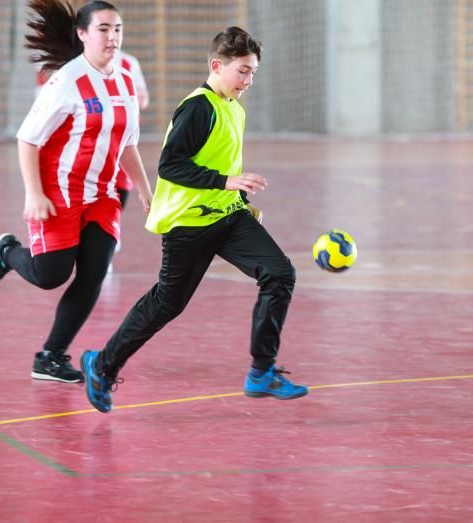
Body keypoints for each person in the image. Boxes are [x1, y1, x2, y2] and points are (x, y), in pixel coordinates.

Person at [79, 26, 308, 413]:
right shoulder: (197, 107)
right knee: (168, 303)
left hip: (228, 214)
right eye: (243, 71)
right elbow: (170, 166)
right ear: (217, 65)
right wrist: (226, 182)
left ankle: (262, 371)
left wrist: (236, 195)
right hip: (189, 223)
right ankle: (101, 365)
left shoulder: (233, 106)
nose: (248, 81)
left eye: (253, 73)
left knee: (280, 273)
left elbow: (219, 161)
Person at [0, 0, 152, 384]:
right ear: (83, 34)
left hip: (103, 195)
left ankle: (50, 356)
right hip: (59, 191)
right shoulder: (65, 81)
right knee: (51, 275)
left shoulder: (124, 80)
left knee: (93, 273)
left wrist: (144, 190)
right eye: (103, 29)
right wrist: (33, 194)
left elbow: (128, 143)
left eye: (117, 29)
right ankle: (6, 253)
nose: (112, 37)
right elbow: (28, 140)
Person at [108, 49, 150, 271]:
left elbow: (142, 98)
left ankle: (109, 234)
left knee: (121, 186)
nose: (113, 35)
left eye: (117, 29)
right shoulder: (77, 66)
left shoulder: (128, 64)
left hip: (122, 138)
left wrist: (139, 98)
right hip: (93, 141)